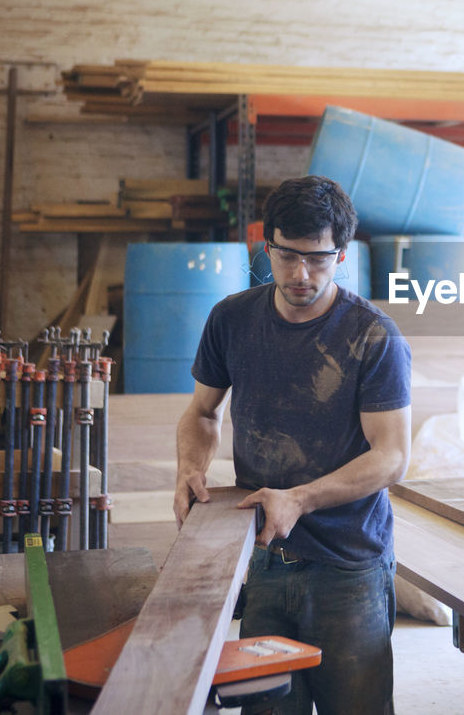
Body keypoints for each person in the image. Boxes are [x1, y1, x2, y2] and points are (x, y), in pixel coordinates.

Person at [174, 175, 411, 715]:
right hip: (262, 558)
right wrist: (190, 468)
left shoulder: (373, 336)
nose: (300, 274)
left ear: (342, 256)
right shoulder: (231, 319)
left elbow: (392, 456)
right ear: (268, 245)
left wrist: (299, 498)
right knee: (267, 709)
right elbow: (202, 413)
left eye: (318, 259)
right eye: (286, 256)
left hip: (347, 567)